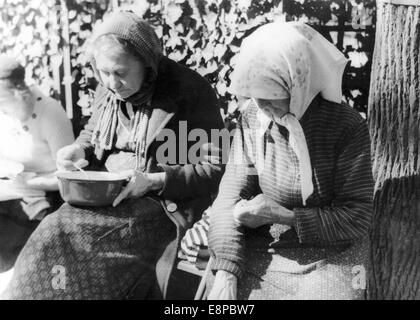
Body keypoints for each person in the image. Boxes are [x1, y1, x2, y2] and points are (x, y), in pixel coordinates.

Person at [1, 10, 224, 300]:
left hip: (160, 204)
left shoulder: (189, 91)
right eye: (104, 72)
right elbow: (92, 135)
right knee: (51, 231)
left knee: (82, 245)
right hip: (105, 197)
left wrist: (154, 180)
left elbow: (215, 166)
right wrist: (78, 149)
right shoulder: (108, 90)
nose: (111, 82)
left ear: (148, 63)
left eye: (120, 73)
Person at [183, 22, 374, 300]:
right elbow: (229, 195)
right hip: (269, 242)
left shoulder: (345, 127)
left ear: (298, 84)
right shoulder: (253, 117)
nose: (262, 108)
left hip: (334, 250)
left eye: (272, 98)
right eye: (254, 98)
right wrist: (226, 270)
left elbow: (357, 217)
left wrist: (285, 216)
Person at [0, 56, 74, 272]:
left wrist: (33, 183)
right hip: (13, 192)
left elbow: (70, 177)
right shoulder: (6, 112)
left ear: (19, 91)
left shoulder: (50, 113)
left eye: (2, 101)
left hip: (47, 198)